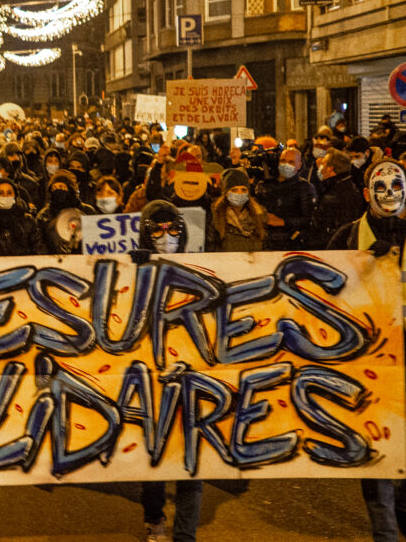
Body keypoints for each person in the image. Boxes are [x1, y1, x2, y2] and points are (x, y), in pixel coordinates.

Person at [322, 159, 406, 542]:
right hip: (373, 368)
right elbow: (323, 295)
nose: (390, 193)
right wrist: (361, 266)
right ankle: (385, 532)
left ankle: (405, 503)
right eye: (380, 187)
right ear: (368, 193)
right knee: (378, 457)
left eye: (396, 184)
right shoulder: (347, 236)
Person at [135, 200, 204, 541]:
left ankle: (185, 533)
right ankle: (154, 519)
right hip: (153, 379)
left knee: (194, 460)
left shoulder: (204, 267)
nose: (166, 235)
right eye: (157, 229)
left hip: (196, 377)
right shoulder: (136, 267)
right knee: (156, 458)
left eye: (172, 228)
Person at [255, 146, 316, 250]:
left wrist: (283, 221)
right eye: (283, 161)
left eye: (291, 162)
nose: (286, 165)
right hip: (265, 242)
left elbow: (310, 219)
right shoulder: (265, 185)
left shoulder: (305, 187)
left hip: (291, 244)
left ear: (299, 165)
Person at [308, 148, 366, 250]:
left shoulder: (336, 195)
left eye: (324, 164)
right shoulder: (343, 186)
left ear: (330, 169)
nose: (320, 168)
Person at [211, 168, 266, 252]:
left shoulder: (259, 213)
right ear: (226, 192)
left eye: (243, 190)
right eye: (234, 190)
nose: (239, 193)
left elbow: (266, 245)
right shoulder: (216, 215)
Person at [0, 178, 45, 256]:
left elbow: (39, 248)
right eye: (1, 193)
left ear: (15, 196)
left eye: (9, 193)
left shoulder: (27, 220)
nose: (5, 196)